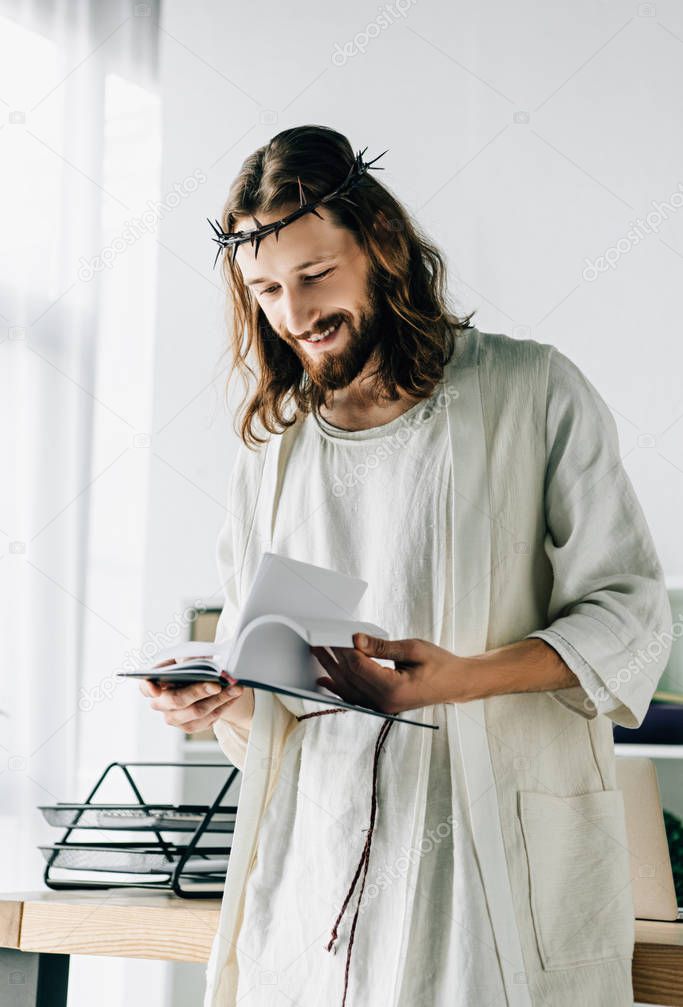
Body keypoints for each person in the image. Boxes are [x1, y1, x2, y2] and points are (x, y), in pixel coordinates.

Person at [140, 125, 672, 1007]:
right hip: (325, 869)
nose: (295, 314)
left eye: (315, 276)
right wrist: (224, 696)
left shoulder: (529, 391)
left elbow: (629, 611)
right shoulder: (275, 451)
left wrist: (460, 679)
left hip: (481, 864)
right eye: (267, 290)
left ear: (382, 245)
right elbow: (275, 685)